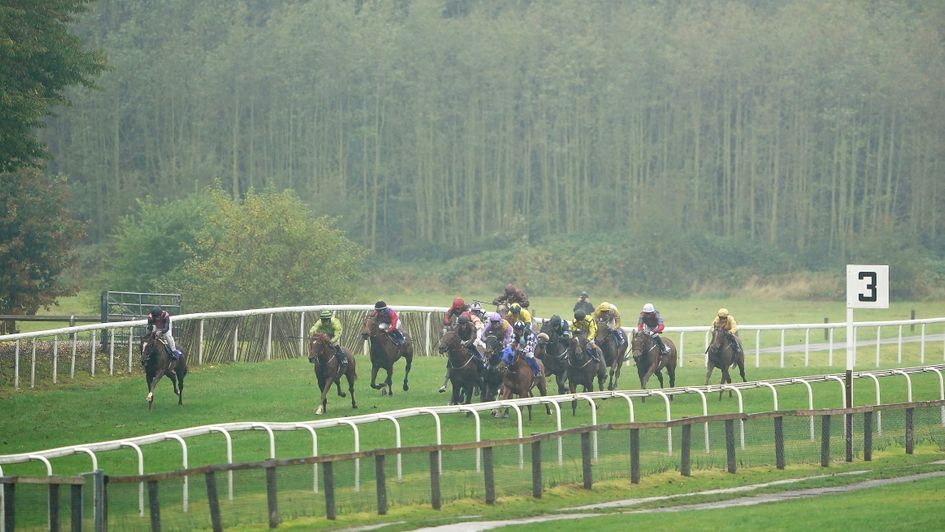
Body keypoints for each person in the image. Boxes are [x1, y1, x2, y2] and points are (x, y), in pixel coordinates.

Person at [439, 311, 486, 394]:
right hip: (460, 345)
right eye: (461, 324)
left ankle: (481, 375)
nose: (462, 326)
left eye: (464, 324)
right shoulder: (457, 327)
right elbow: (455, 336)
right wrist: (460, 342)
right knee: (451, 360)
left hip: (470, 345)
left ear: (467, 323)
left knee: (479, 359)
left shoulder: (471, 326)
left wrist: (468, 343)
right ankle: (447, 379)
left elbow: (473, 336)